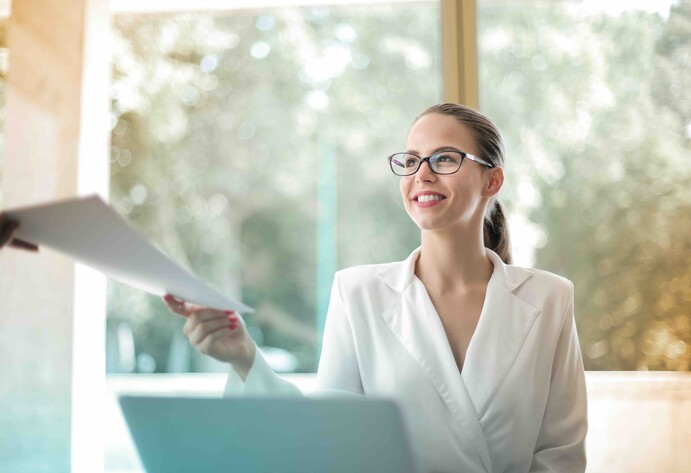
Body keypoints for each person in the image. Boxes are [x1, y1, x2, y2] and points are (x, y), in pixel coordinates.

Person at [166, 102, 588, 473]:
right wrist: (245, 359)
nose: (421, 175)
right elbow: (329, 440)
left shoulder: (549, 299)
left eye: (444, 159)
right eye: (410, 161)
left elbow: (561, 454)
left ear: (492, 181)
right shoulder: (357, 293)